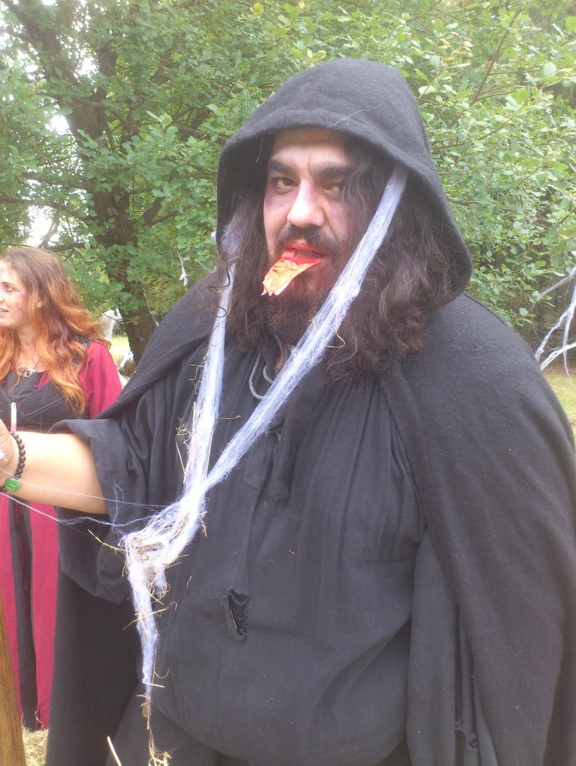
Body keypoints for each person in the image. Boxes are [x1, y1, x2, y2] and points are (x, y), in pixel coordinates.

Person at [0, 59, 574, 766]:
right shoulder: (214, 329)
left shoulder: (472, 377)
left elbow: (523, 635)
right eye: (281, 182)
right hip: (177, 741)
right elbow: (132, 469)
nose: (301, 211)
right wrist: (11, 457)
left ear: (396, 205)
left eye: (337, 184)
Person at [0, 246, 122, 729]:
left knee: (57, 607)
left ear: (41, 293)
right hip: (4, 511)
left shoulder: (88, 357)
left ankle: (62, 710)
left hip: (62, 513)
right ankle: (19, 706)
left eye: (8, 288)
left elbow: (118, 443)